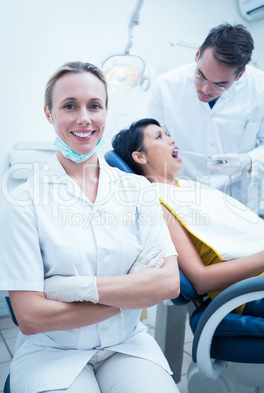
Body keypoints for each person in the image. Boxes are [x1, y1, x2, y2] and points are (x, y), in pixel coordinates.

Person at [0, 63, 181, 393]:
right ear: (49, 114)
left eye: (94, 106)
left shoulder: (138, 190)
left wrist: (72, 288)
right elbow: (32, 317)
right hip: (51, 353)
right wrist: (133, 291)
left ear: (106, 112)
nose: (84, 117)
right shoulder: (24, 201)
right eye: (70, 106)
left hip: (128, 345)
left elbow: (167, 284)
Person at [112, 118, 264, 317]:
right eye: (159, 136)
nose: (172, 140)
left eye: (167, 134)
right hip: (249, 292)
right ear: (140, 157)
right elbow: (201, 281)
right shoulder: (157, 203)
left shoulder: (186, 188)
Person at [147, 23, 264, 214]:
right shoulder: (166, 85)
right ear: (197, 54)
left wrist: (248, 160)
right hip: (185, 196)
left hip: (237, 201)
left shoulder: (260, 89)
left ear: (240, 74)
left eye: (220, 84)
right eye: (200, 76)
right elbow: (150, 139)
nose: (205, 90)